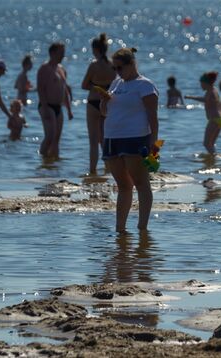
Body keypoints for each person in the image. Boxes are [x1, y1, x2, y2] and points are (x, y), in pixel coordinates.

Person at [97, 47, 159, 232]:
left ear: (131, 64)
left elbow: (153, 117)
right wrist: (103, 100)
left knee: (141, 183)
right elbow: (104, 112)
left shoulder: (145, 85)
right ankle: (120, 229)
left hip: (136, 138)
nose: (117, 72)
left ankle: (142, 228)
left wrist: (154, 145)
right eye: (114, 68)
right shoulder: (116, 83)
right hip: (112, 139)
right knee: (123, 185)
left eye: (120, 67)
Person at [81, 33, 117, 175]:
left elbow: (84, 85)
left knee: (93, 142)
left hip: (93, 102)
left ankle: (92, 171)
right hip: (106, 103)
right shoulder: (112, 66)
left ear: (96, 49)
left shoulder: (94, 66)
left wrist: (95, 86)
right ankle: (108, 169)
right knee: (104, 140)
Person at [37, 42, 73, 158]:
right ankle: (42, 159)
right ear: (52, 53)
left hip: (58, 107)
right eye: (61, 53)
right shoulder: (44, 68)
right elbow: (40, 89)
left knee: (57, 138)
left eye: (63, 53)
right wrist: (46, 108)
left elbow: (65, 90)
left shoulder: (61, 69)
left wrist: (69, 109)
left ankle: (54, 165)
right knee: (50, 136)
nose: (63, 55)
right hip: (47, 106)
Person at [185, 72, 221, 154]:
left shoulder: (210, 91)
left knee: (206, 143)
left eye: (201, 84)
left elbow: (205, 100)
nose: (201, 86)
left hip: (214, 120)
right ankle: (213, 160)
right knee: (211, 144)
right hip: (220, 120)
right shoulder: (215, 91)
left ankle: (213, 158)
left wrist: (191, 97)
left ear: (206, 83)